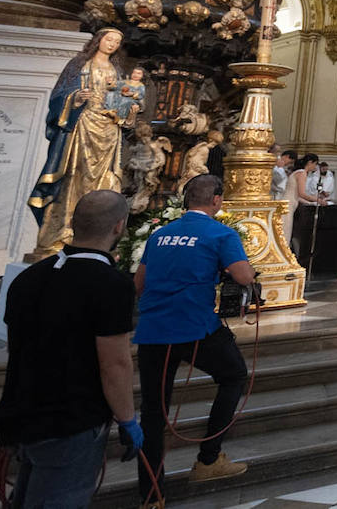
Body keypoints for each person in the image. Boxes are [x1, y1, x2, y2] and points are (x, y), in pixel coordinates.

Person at [0, 190, 140, 508]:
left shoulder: (28, 278)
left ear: (74, 223)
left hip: (22, 412)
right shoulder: (111, 285)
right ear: (119, 227)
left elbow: (14, 348)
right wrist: (128, 420)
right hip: (71, 419)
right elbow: (114, 364)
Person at [135, 175, 254, 499]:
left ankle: (150, 495)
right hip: (194, 327)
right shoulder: (220, 233)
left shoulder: (160, 234)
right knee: (234, 376)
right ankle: (208, 458)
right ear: (216, 200)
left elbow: (139, 285)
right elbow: (243, 275)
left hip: (153, 331)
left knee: (154, 411)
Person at [28, 27, 130, 257]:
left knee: (105, 182)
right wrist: (75, 99)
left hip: (108, 131)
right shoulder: (78, 64)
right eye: (109, 39)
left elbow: (122, 103)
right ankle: (62, 232)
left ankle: (98, 239)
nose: (112, 44)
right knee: (73, 176)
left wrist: (127, 109)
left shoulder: (117, 70)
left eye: (117, 42)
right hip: (81, 126)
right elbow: (59, 95)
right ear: (99, 40)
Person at [282, 154, 318, 245]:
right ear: (310, 163)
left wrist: (311, 203)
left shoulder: (299, 172)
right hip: (288, 205)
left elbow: (297, 196)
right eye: (315, 164)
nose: (315, 167)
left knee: (286, 231)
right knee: (285, 232)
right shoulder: (302, 173)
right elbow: (302, 194)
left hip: (289, 204)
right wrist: (317, 200)